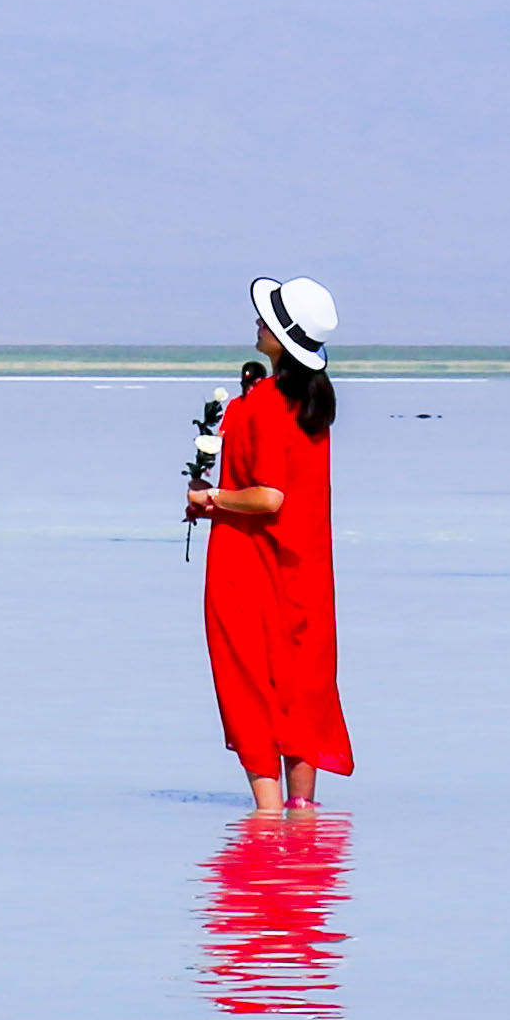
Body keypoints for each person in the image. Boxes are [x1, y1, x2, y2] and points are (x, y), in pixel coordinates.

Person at [187, 276, 352, 813]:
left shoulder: (260, 405)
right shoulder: (316, 406)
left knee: (249, 681)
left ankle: (265, 817)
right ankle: (302, 817)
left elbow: (268, 497)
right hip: (306, 566)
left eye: (267, 320)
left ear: (282, 338)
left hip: (251, 566)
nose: (258, 324)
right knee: (303, 685)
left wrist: (212, 499)